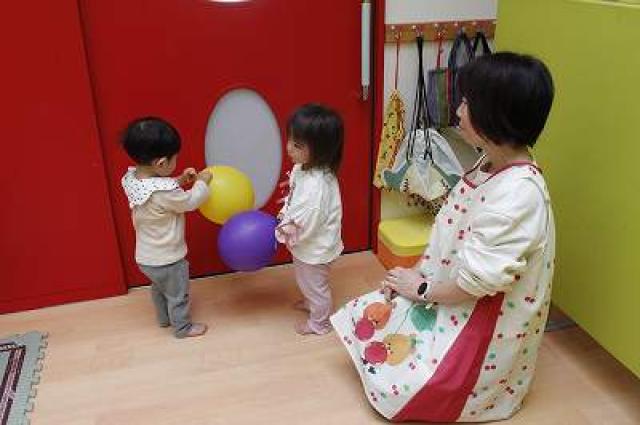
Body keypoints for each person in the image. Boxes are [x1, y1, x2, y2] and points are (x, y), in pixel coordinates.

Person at [331, 52, 555, 422]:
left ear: (494, 116)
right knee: (369, 313)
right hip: (448, 285)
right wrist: (417, 273)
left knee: (406, 389)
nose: (458, 111)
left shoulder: (517, 196)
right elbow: (452, 230)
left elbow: (476, 284)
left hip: (479, 315)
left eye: (467, 103)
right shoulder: (490, 159)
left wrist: (419, 288)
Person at [121, 117, 212, 338]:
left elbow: (158, 189)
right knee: (178, 294)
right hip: (168, 259)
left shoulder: (131, 179)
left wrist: (179, 180)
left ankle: (164, 319)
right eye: (174, 159)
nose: (176, 162)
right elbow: (189, 202)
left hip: (146, 258)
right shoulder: (164, 192)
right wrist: (201, 182)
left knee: (159, 289)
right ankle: (182, 328)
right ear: (161, 164)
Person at [276, 104, 345, 336]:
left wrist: (282, 231)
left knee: (316, 287)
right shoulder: (302, 168)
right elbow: (294, 195)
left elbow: (308, 223)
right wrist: (286, 211)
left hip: (315, 248)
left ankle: (320, 323)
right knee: (305, 280)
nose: (288, 148)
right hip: (305, 244)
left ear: (321, 151)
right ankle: (310, 301)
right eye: (290, 139)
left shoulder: (317, 187)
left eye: (297, 145)